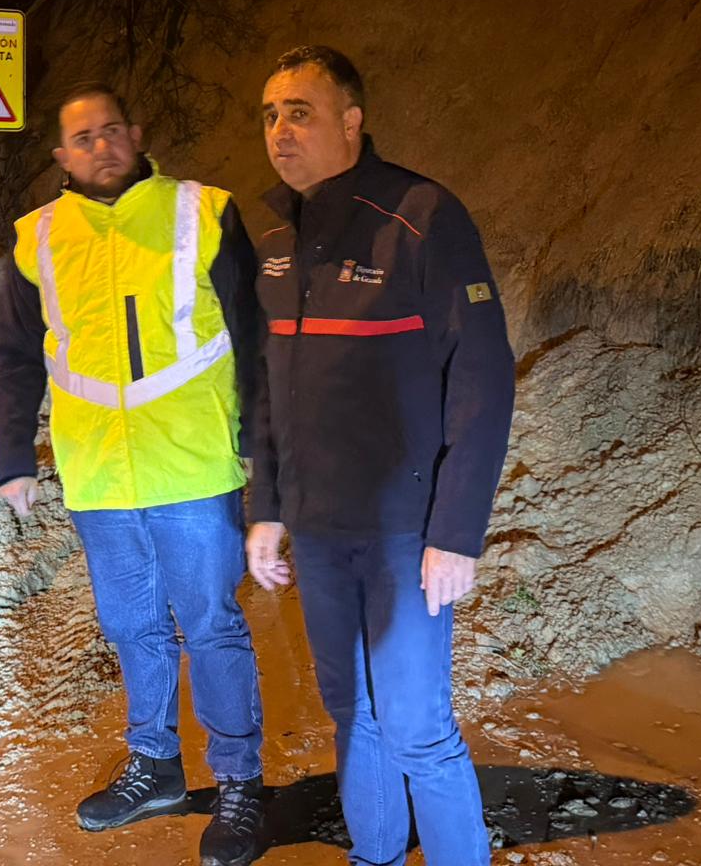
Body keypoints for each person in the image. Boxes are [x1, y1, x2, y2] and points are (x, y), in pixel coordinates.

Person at [246, 46, 514, 866]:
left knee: (417, 725)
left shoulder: (422, 216)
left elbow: (483, 375)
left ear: (352, 123)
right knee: (352, 716)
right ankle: (375, 855)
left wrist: (457, 530)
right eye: (268, 115)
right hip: (321, 532)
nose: (280, 132)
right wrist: (267, 509)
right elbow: (267, 384)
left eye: (301, 112)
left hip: (406, 531)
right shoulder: (269, 231)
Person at [0, 82, 266, 866]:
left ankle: (239, 782)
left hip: (192, 465)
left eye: (112, 130)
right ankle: (157, 768)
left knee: (212, 626)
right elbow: (14, 354)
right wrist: (14, 454)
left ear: (137, 133)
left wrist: (265, 451)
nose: (101, 146)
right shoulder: (39, 236)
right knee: (131, 628)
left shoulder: (202, 211)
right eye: (83, 137)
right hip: (99, 476)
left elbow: (255, 334)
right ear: (61, 155)